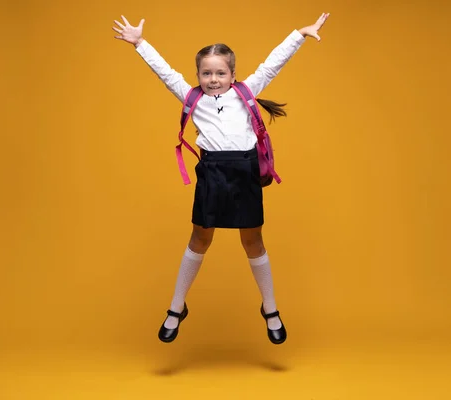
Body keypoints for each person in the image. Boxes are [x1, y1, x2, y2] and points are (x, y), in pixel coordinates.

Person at [112, 12, 330, 344]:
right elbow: (164, 72)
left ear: (232, 74)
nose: (214, 79)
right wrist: (140, 43)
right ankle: (176, 307)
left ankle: (270, 308)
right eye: (206, 73)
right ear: (198, 74)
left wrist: (299, 35)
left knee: (253, 242)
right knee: (200, 239)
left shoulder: (245, 92)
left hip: (244, 175)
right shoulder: (192, 99)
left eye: (221, 72)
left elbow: (272, 65)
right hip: (212, 175)